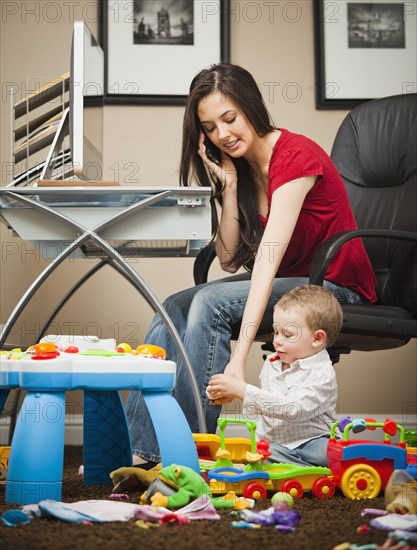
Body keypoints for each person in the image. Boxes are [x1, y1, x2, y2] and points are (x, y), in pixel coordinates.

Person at [125, 63, 377, 467]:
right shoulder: (239, 168)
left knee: (207, 304)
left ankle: (188, 452)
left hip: (333, 286)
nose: (222, 134)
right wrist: (229, 188)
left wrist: (238, 358)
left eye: (230, 119)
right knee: (172, 306)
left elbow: (266, 262)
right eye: (209, 128)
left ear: (251, 108)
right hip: (290, 283)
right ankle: (141, 450)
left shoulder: (296, 156)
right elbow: (226, 260)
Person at [207, 284, 343, 467]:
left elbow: (293, 410)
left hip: (311, 442)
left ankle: (294, 465)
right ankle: (285, 463)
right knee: (263, 451)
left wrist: (243, 391)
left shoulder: (322, 373)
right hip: (275, 443)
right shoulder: (272, 363)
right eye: (276, 332)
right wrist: (231, 394)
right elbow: (265, 407)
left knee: (326, 452)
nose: (277, 341)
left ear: (317, 338)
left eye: (287, 334)